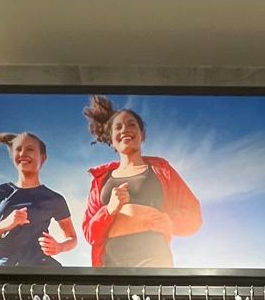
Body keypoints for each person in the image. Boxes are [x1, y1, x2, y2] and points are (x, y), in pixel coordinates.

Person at [82, 95, 202, 269]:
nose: (125, 129)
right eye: (118, 127)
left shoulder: (161, 169)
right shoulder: (100, 180)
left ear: (142, 134)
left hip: (153, 253)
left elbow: (193, 213)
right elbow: (89, 233)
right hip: (111, 258)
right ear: (111, 139)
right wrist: (109, 210)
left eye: (131, 124)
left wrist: (171, 222)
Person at [0, 132, 77, 268]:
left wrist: (59, 247)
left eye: (30, 149)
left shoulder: (55, 198)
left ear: (43, 158)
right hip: (6, 272)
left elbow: (72, 238)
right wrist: (4, 224)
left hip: (43, 270)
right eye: (18, 149)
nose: (23, 153)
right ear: (12, 155)